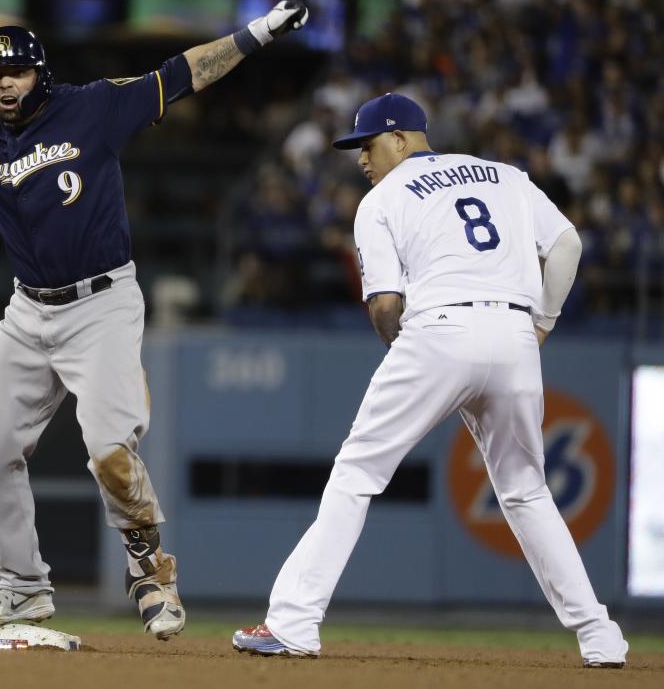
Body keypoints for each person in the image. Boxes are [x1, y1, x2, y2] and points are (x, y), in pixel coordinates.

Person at [0, 0, 308, 640]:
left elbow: (181, 74)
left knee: (108, 451)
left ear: (39, 73)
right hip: (27, 310)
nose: (2, 85)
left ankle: (151, 571)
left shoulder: (93, 107)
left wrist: (260, 32)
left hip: (101, 304)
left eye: (14, 72)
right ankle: (22, 586)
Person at [232, 93, 629, 667]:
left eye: (367, 146)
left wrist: (416, 355)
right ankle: (601, 637)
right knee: (527, 490)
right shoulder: (506, 175)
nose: (361, 160)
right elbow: (568, 245)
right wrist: (542, 322)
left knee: (358, 471)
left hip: (439, 328)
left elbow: (385, 306)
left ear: (399, 138)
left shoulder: (381, 199)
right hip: (515, 333)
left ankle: (293, 624)